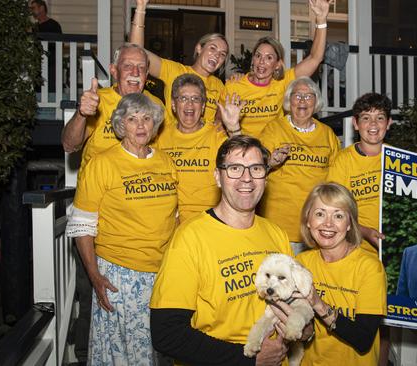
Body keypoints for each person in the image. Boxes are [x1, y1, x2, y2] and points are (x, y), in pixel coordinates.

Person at [149, 135, 295, 365]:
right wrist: (248, 359)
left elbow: (291, 304)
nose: (247, 178)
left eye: (256, 168)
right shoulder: (189, 238)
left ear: (266, 177)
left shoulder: (276, 234)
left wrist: (304, 329)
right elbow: (166, 334)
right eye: (235, 168)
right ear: (218, 177)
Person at [65, 93, 177, 365]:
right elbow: (82, 225)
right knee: (120, 354)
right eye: (132, 119)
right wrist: (94, 276)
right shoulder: (101, 163)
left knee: (156, 351)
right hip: (119, 276)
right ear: (120, 125)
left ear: (156, 124)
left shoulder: (166, 162)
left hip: (161, 274)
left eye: (147, 118)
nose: (140, 126)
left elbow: (174, 217)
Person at [296, 182, 387, 365]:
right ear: (308, 220)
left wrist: (318, 304)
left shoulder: (369, 267)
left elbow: (363, 339)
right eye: (320, 214)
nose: (328, 223)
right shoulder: (301, 263)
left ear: (349, 224)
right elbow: (304, 332)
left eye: (338, 215)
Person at [220, 0, 332, 137]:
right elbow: (218, 124)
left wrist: (321, 19)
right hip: (243, 149)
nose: (261, 62)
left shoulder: (283, 83)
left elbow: (315, 58)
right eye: (258, 56)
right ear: (253, 59)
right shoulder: (234, 86)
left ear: (278, 64)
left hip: (273, 149)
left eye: (269, 58)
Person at [258, 76, 339, 253]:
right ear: (289, 100)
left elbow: (336, 179)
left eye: (309, 96)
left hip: (317, 227)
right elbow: (256, 168)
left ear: (316, 102)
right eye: (297, 96)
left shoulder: (327, 134)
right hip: (279, 226)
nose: (302, 101)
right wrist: (270, 162)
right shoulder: (274, 128)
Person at [152, 73, 244, 222]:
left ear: (202, 106)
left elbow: (242, 161)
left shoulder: (216, 134)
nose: (190, 105)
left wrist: (234, 128)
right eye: (183, 98)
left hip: (210, 220)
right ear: (174, 105)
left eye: (196, 99)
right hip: (169, 221)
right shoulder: (160, 135)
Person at [61, 43, 162, 171]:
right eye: (128, 66)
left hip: (140, 187)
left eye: (141, 67)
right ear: (114, 71)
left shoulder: (156, 105)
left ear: (146, 74)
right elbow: (69, 145)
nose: (135, 72)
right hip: (99, 186)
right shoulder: (99, 101)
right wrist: (82, 114)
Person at [129, 0, 229, 127]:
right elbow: (136, 52)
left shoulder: (219, 86)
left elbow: (219, 122)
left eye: (222, 54)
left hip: (204, 144)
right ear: (199, 48)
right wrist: (141, 7)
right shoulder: (175, 71)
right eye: (213, 48)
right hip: (172, 143)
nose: (217, 55)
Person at [326, 92, 393, 252]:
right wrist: (364, 232)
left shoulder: (400, 160)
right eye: (366, 118)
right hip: (357, 247)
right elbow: (333, 208)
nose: (373, 124)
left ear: (389, 123)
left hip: (395, 248)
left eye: (380, 118)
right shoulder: (342, 161)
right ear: (355, 123)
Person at [30, 0, 62, 93]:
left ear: (42, 8)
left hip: (51, 65)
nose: (31, 11)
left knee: (50, 91)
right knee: (37, 91)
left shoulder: (53, 25)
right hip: (36, 66)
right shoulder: (34, 27)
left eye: (33, 8)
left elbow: (60, 44)